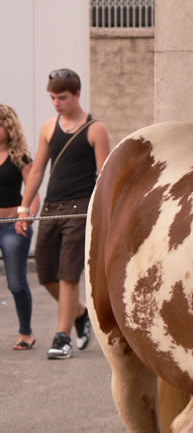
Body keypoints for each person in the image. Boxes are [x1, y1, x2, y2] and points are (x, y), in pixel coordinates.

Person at [16, 68, 110, 360]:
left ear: (77, 95)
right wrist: (24, 208)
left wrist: (103, 215)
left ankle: (62, 337)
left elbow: (105, 174)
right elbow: (37, 171)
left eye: (62, 97)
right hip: (51, 209)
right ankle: (79, 314)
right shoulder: (48, 128)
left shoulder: (96, 129)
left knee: (69, 274)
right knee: (45, 273)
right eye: (53, 97)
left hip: (80, 210)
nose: (56, 103)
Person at [0, 105, 40, 350]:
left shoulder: (20, 157)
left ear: (9, 126)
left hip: (12, 227)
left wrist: (26, 217)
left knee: (16, 283)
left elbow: (33, 193)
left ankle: (26, 333)